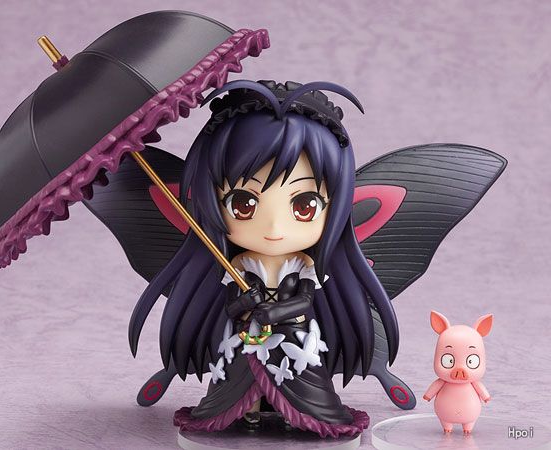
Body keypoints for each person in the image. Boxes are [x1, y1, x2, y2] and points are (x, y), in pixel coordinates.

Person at [128, 80, 399, 438]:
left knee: (300, 377)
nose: (273, 228)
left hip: (294, 336)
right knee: (240, 380)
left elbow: (305, 300)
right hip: (246, 337)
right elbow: (230, 306)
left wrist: (274, 312)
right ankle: (249, 414)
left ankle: (295, 416)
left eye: (305, 206)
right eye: (243, 204)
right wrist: (245, 303)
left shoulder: (303, 265)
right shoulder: (238, 266)